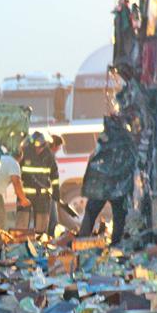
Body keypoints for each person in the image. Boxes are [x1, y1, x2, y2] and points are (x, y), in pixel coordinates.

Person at [77, 104, 137, 245]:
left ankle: (82, 240)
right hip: (118, 186)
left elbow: (94, 160)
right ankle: (116, 242)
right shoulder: (127, 141)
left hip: (101, 185)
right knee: (118, 215)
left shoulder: (104, 140)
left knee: (91, 211)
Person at [16, 132, 60, 234]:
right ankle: (18, 245)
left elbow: (54, 173)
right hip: (25, 195)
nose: (38, 149)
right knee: (21, 227)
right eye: (36, 147)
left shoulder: (48, 154)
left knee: (41, 227)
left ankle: (40, 246)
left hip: (43, 196)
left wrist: (56, 189)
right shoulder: (24, 152)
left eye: (40, 147)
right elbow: (15, 171)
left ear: (44, 145)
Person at [47, 134, 64, 236]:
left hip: (46, 190)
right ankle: (51, 238)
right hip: (48, 192)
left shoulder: (43, 154)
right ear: (54, 145)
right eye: (59, 147)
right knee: (53, 219)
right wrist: (56, 190)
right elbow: (54, 176)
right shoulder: (50, 156)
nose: (59, 149)